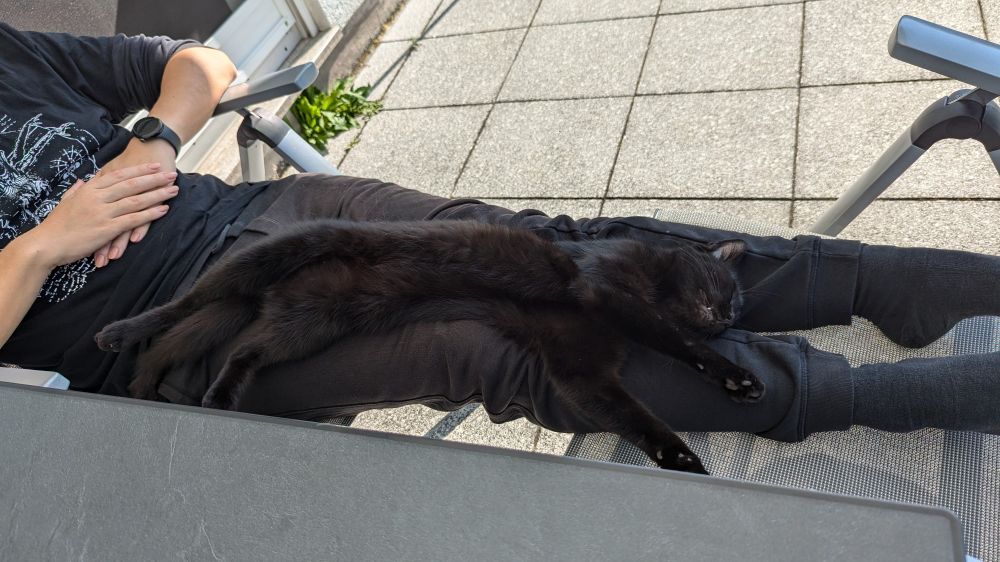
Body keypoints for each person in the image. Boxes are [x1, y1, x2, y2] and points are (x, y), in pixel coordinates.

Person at [1, 24, 998, 445]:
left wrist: (156, 138)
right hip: (169, 334)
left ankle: (883, 285)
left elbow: (201, 63)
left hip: (253, 215)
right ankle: (880, 395)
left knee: (553, 248)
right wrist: (43, 243)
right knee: (499, 342)